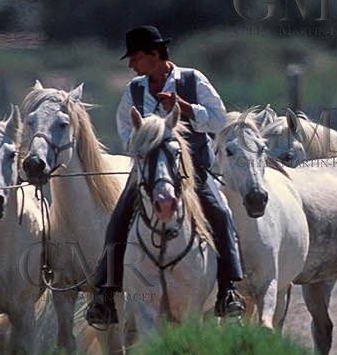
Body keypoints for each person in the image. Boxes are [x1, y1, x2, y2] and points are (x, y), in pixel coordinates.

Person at [85, 25, 246, 324]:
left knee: (220, 213)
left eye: (135, 57)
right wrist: (144, 142)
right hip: (148, 170)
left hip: (192, 169)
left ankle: (228, 288)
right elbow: (125, 132)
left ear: (154, 55)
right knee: (118, 219)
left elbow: (218, 120)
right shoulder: (133, 90)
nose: (132, 65)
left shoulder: (192, 79)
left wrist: (184, 108)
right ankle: (105, 295)